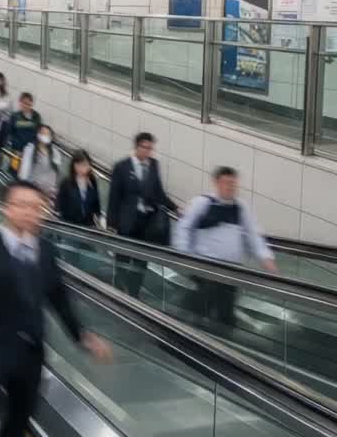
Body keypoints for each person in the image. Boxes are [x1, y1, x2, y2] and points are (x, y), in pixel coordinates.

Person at [0, 180, 111, 437]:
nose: (30, 212)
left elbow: (58, 297)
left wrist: (81, 336)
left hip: (31, 353)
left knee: (19, 422)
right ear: (7, 209)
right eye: (22, 205)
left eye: (36, 207)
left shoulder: (46, 250)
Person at [174, 167, 276, 325]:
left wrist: (266, 258)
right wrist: (185, 256)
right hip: (206, 267)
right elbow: (184, 228)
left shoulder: (240, 207)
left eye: (233, 183)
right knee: (201, 306)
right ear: (216, 183)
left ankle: (220, 336)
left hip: (231, 270)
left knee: (225, 310)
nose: (230, 187)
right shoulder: (203, 203)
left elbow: (253, 233)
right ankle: (188, 333)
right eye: (226, 182)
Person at [106, 132, 178, 297]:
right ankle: (118, 293)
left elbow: (158, 193)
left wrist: (175, 208)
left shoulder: (153, 165)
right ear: (137, 147)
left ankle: (134, 295)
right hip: (126, 223)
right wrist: (111, 224)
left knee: (140, 262)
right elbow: (114, 197)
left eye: (150, 149)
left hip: (146, 224)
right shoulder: (122, 167)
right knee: (123, 259)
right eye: (145, 148)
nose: (148, 152)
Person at [56, 150, 101, 228]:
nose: (81, 168)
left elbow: (96, 206)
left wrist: (98, 219)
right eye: (78, 165)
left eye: (84, 165)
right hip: (70, 226)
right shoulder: (66, 183)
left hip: (88, 227)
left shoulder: (92, 182)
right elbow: (60, 207)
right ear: (73, 166)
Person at [8, 93, 42, 159]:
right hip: (17, 150)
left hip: (31, 151)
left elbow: (38, 133)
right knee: (14, 167)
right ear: (20, 103)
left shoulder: (36, 116)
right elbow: (10, 133)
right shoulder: (15, 116)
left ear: (32, 104)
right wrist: (17, 148)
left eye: (29, 104)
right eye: (24, 103)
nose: (26, 106)